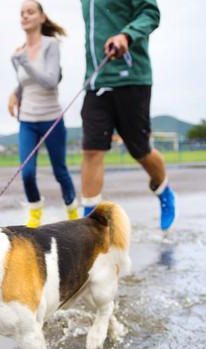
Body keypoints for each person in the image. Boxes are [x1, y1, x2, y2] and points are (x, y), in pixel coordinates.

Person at [79, 0, 176, 231]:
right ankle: (89, 225)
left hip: (131, 78)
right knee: (92, 149)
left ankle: (164, 191)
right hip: (97, 81)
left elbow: (150, 12)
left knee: (140, 149)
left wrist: (127, 35)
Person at [8, 0, 78, 228]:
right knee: (26, 173)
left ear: (41, 17)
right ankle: (35, 214)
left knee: (60, 171)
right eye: (22, 13)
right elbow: (25, 83)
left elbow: (49, 81)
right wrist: (15, 93)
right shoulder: (18, 53)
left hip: (51, 118)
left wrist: (25, 63)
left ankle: (73, 215)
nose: (25, 16)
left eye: (30, 12)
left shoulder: (51, 45)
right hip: (27, 119)